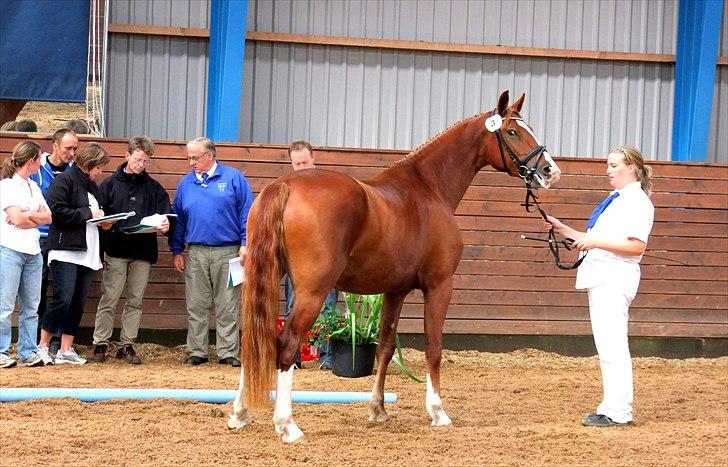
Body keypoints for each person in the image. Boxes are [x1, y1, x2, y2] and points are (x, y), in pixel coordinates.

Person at [544, 145, 654, 427]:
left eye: (614, 165)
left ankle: (618, 411)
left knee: (613, 346)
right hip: (604, 276)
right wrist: (563, 229)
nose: (608, 171)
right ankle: (613, 407)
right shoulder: (618, 200)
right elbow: (595, 238)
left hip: (614, 277)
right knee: (608, 346)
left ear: (631, 168)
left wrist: (593, 242)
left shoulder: (637, 202)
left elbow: (635, 246)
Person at [170, 137, 254, 367]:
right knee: (196, 303)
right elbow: (179, 220)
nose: (191, 162)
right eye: (189, 157)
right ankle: (197, 350)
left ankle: (228, 352)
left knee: (228, 303)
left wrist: (246, 243)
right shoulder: (186, 184)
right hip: (195, 251)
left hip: (228, 250)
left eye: (195, 158)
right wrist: (177, 250)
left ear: (210, 156)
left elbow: (247, 212)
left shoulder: (234, 178)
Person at [92, 136, 171, 365]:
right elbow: (98, 214)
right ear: (127, 155)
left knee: (135, 299)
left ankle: (127, 344)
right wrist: (104, 223)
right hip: (116, 249)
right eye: (138, 160)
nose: (141, 165)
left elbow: (165, 215)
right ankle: (101, 342)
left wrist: (165, 224)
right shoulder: (109, 184)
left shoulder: (153, 187)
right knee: (110, 297)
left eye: (145, 161)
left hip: (143, 251)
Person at [38, 142, 113, 365]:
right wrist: (88, 212)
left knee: (78, 302)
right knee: (63, 298)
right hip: (65, 250)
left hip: (88, 250)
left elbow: (92, 215)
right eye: (99, 167)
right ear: (89, 165)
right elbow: (58, 212)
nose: (100, 172)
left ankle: (66, 348)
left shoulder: (92, 187)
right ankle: (42, 345)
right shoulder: (64, 180)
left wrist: (104, 222)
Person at [284, 140, 339, 370]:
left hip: (328, 257)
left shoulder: (331, 185)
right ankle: (292, 356)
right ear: (291, 162)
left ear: (313, 158)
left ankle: (325, 357)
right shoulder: (287, 187)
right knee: (293, 306)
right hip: (296, 258)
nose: (302, 167)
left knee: (327, 308)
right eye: (297, 163)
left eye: (305, 162)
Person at [0, 142, 53, 368]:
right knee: (5, 304)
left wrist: (26, 215)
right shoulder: (6, 186)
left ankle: (28, 351)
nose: (41, 162)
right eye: (39, 158)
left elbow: (48, 217)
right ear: (31, 160)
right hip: (10, 249)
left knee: (32, 305)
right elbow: (18, 219)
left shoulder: (34, 186)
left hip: (33, 251)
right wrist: (32, 217)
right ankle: (2, 351)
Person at [29, 128, 78, 355]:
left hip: (63, 239)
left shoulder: (75, 170)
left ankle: (56, 340)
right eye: (68, 148)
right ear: (55, 146)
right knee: (36, 291)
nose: (72, 153)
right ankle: (35, 341)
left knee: (62, 292)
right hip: (38, 237)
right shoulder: (36, 169)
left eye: (75, 148)